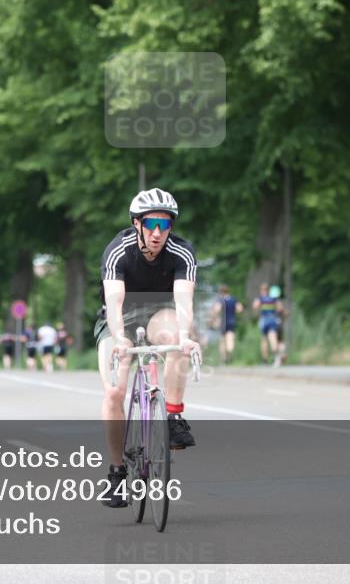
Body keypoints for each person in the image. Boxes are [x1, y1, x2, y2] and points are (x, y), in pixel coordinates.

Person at [94, 188, 200, 509]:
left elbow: (183, 300)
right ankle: (116, 472)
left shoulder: (182, 252)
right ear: (137, 223)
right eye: (151, 223)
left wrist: (186, 335)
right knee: (114, 391)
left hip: (158, 312)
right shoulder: (118, 250)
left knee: (177, 340)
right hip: (119, 317)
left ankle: (173, 416)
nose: (158, 232)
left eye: (165, 225)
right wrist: (120, 338)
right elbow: (114, 302)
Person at [252, 283, 284, 366]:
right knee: (273, 338)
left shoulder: (260, 298)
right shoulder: (273, 298)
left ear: (262, 290)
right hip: (273, 319)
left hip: (264, 320)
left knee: (264, 340)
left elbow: (255, 306)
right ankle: (276, 357)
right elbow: (280, 308)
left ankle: (265, 360)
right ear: (268, 290)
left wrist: (259, 308)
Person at [211, 285, 244, 363]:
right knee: (230, 339)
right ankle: (230, 351)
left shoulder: (220, 300)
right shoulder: (233, 299)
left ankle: (223, 359)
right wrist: (232, 312)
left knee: (222, 341)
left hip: (223, 322)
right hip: (232, 321)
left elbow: (216, 310)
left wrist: (214, 318)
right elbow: (240, 309)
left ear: (220, 292)